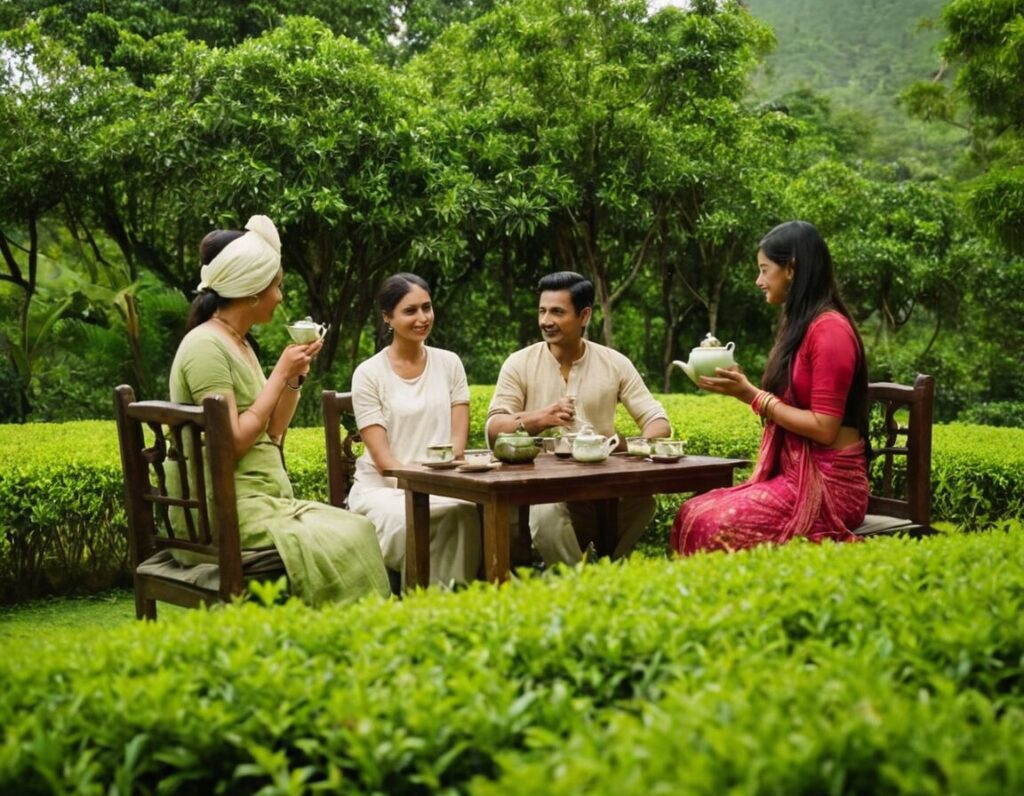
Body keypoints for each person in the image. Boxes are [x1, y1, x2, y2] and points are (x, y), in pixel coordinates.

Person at [168, 214, 391, 606]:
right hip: (222, 512)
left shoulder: (238, 343)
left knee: (358, 527)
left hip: (259, 499)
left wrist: (292, 376)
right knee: (349, 534)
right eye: (277, 286)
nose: (281, 297)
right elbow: (231, 445)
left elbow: (273, 432)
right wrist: (278, 375)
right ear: (252, 291)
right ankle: (341, 629)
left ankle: (342, 633)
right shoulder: (205, 347)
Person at [670, 220, 869, 555]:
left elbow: (824, 429)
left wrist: (753, 396)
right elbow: (784, 402)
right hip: (795, 479)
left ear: (791, 268)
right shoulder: (800, 326)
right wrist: (741, 389)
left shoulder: (830, 331)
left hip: (830, 487)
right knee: (690, 513)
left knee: (710, 525)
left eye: (764, 270)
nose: (759, 281)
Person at [487, 271, 671, 566]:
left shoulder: (614, 362)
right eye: (542, 311)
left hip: (597, 484)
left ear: (584, 316)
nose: (546, 320)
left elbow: (659, 424)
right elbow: (494, 430)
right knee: (546, 511)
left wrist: (618, 445)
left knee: (643, 501)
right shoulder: (519, 363)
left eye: (557, 312)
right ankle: (578, 584)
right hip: (539, 487)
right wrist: (540, 418)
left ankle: (607, 566)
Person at [347, 273, 482, 585]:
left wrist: (439, 482)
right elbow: (385, 463)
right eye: (410, 311)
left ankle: (453, 602)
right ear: (388, 318)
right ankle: (430, 602)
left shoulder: (450, 364)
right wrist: (425, 484)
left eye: (427, 307)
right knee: (428, 517)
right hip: (383, 491)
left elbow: (456, 448)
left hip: (443, 487)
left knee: (464, 510)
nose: (423, 318)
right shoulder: (368, 374)